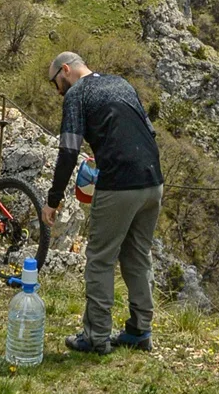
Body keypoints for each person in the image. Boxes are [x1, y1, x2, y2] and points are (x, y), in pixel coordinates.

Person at [42, 52, 163, 355]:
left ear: (66, 70)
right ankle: (139, 330)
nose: (57, 91)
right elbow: (149, 130)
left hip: (119, 183)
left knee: (100, 259)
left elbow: (69, 150)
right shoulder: (121, 84)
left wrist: (53, 200)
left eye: (55, 83)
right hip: (153, 181)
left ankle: (95, 336)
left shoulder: (77, 94)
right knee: (137, 255)